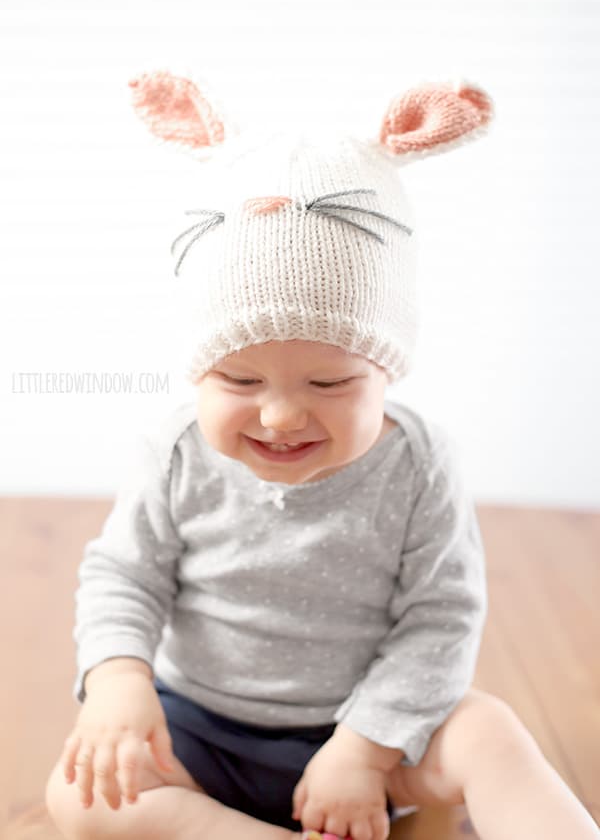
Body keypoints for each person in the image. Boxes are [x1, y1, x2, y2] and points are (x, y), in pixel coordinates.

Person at [45, 71, 599, 840]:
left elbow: (440, 619)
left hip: (372, 727)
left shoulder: (420, 464)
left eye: (330, 380)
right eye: (238, 378)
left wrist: (364, 750)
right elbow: (124, 575)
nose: (279, 414)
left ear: (387, 370)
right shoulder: (173, 451)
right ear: (197, 370)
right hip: (200, 727)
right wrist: (117, 681)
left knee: (490, 730)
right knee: (78, 797)